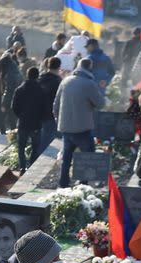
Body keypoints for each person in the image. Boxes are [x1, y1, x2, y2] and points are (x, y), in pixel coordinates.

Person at [54, 58, 105, 187]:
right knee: (87, 157)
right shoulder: (89, 83)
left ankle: (63, 183)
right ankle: (83, 185)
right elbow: (100, 104)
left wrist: (58, 119)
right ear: (90, 68)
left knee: (67, 157)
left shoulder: (65, 81)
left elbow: (56, 104)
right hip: (82, 128)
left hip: (65, 127)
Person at [11, 67, 45, 174]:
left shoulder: (19, 89)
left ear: (27, 75)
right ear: (37, 76)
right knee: (35, 147)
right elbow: (44, 107)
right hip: (36, 124)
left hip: (23, 122)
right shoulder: (40, 90)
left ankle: (22, 167)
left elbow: (14, 107)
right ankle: (32, 165)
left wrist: (20, 115)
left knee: (21, 147)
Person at [38, 57, 63, 151]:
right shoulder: (58, 81)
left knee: (41, 139)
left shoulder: (40, 79)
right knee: (51, 141)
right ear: (59, 67)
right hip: (52, 115)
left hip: (39, 114)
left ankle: (38, 158)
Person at [0, 52, 24, 131]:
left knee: (2, 117)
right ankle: (14, 135)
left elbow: (9, 90)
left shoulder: (9, 74)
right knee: (14, 119)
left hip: (10, 99)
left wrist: (3, 103)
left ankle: (4, 135)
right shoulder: (16, 69)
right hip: (18, 98)